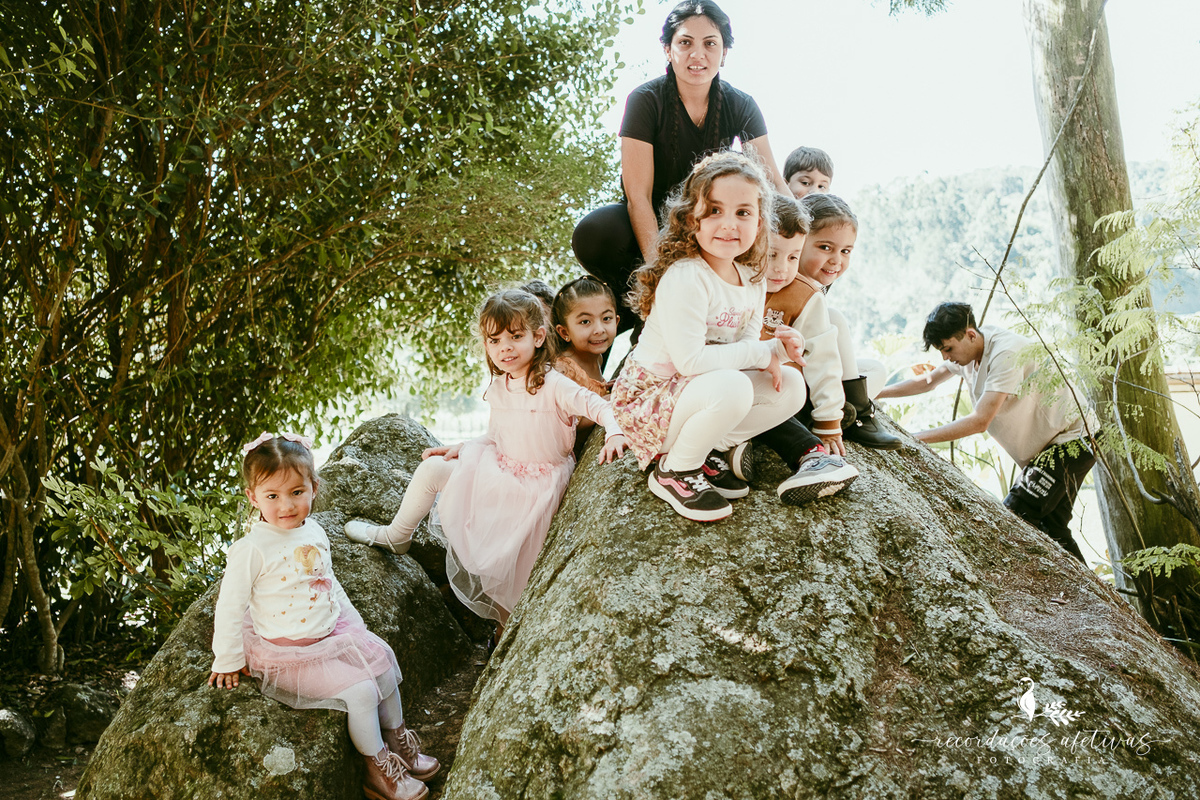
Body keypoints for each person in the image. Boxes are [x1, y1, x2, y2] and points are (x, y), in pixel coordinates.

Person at [344, 289, 627, 634]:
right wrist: (465, 446)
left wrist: (613, 432)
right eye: (495, 340)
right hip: (502, 466)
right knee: (433, 468)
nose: (505, 347)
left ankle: (505, 632)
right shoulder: (499, 385)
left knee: (514, 568)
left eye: (515, 336)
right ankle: (396, 534)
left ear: (539, 337)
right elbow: (497, 434)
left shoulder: (554, 383)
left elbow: (598, 406)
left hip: (538, 485)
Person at [210, 433, 435, 800]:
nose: (286, 505)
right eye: (272, 496)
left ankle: (399, 742)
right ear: (253, 497)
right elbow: (230, 605)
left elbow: (325, 581)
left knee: (383, 660)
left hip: (330, 631)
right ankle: (378, 770)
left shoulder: (313, 530)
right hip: (289, 650)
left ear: (314, 488)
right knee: (361, 693)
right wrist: (229, 659)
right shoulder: (251, 549)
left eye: (297, 492)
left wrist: (353, 626)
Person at [571, 0, 789, 338]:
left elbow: (773, 182)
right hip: (648, 226)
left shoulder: (740, 104)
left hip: (707, 223)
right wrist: (661, 271)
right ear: (668, 49)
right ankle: (631, 312)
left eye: (710, 43)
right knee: (596, 230)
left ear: (725, 52)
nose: (697, 54)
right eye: (685, 42)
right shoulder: (645, 100)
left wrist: (805, 227)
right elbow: (637, 197)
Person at [610, 151, 807, 522]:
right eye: (714, 210)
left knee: (792, 386)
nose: (729, 224)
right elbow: (690, 362)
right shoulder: (688, 276)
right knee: (734, 387)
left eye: (743, 212)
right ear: (690, 219)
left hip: (694, 395)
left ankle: (706, 450)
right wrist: (762, 352)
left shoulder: (752, 279)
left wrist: (778, 350)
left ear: (760, 220)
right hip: (649, 403)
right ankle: (676, 471)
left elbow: (746, 349)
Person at [876, 302, 1095, 562]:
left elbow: (979, 421)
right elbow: (928, 381)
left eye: (948, 349)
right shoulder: (969, 352)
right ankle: (1096, 599)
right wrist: (876, 391)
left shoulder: (1005, 353)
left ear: (970, 334)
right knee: (1052, 527)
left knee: (1017, 512)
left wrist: (915, 439)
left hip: (1073, 439)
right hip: (1049, 445)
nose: (946, 357)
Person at [752, 194, 859, 504]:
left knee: (782, 392)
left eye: (792, 257)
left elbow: (824, 361)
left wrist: (828, 421)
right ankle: (733, 453)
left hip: (783, 392)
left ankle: (816, 456)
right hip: (734, 391)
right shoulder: (735, 282)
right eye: (771, 254)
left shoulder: (805, 294)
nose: (780, 269)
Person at [796, 193, 901, 449]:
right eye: (825, 248)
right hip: (792, 377)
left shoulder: (817, 286)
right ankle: (857, 416)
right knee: (835, 318)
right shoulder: (785, 282)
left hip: (815, 376)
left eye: (845, 251)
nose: (836, 260)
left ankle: (849, 408)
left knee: (876, 369)